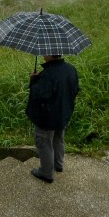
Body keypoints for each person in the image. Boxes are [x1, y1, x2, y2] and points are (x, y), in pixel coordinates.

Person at [26, 54, 80, 183]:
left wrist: (33, 80)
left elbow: (39, 94)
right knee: (58, 138)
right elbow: (75, 90)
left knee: (43, 142)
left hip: (46, 116)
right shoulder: (71, 69)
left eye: (45, 52)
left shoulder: (48, 74)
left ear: (51, 54)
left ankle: (46, 173)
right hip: (63, 113)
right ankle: (58, 165)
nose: (43, 54)